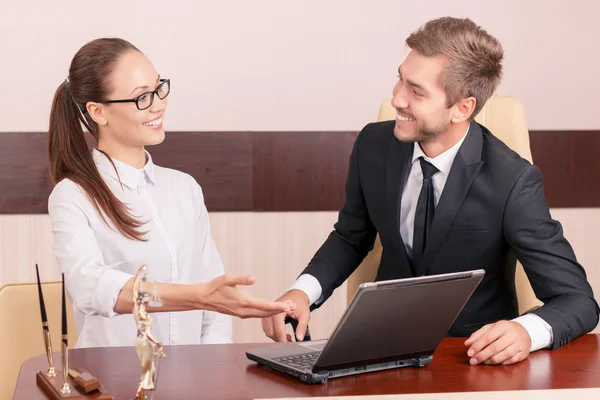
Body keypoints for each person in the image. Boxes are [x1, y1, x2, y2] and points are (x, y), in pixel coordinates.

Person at [262, 17, 599, 365]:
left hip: (469, 360)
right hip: (376, 349)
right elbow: (351, 237)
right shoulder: (372, 146)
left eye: (416, 91)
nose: (396, 99)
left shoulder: (513, 180)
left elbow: (578, 301)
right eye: (400, 80)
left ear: (463, 108)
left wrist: (526, 332)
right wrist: (302, 292)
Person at [48, 38, 294, 349]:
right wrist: (197, 296)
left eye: (158, 88)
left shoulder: (184, 188)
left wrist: (212, 372)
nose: (158, 104)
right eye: (142, 98)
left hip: (195, 381)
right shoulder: (72, 196)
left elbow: (215, 301)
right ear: (98, 112)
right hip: (115, 383)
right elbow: (89, 287)